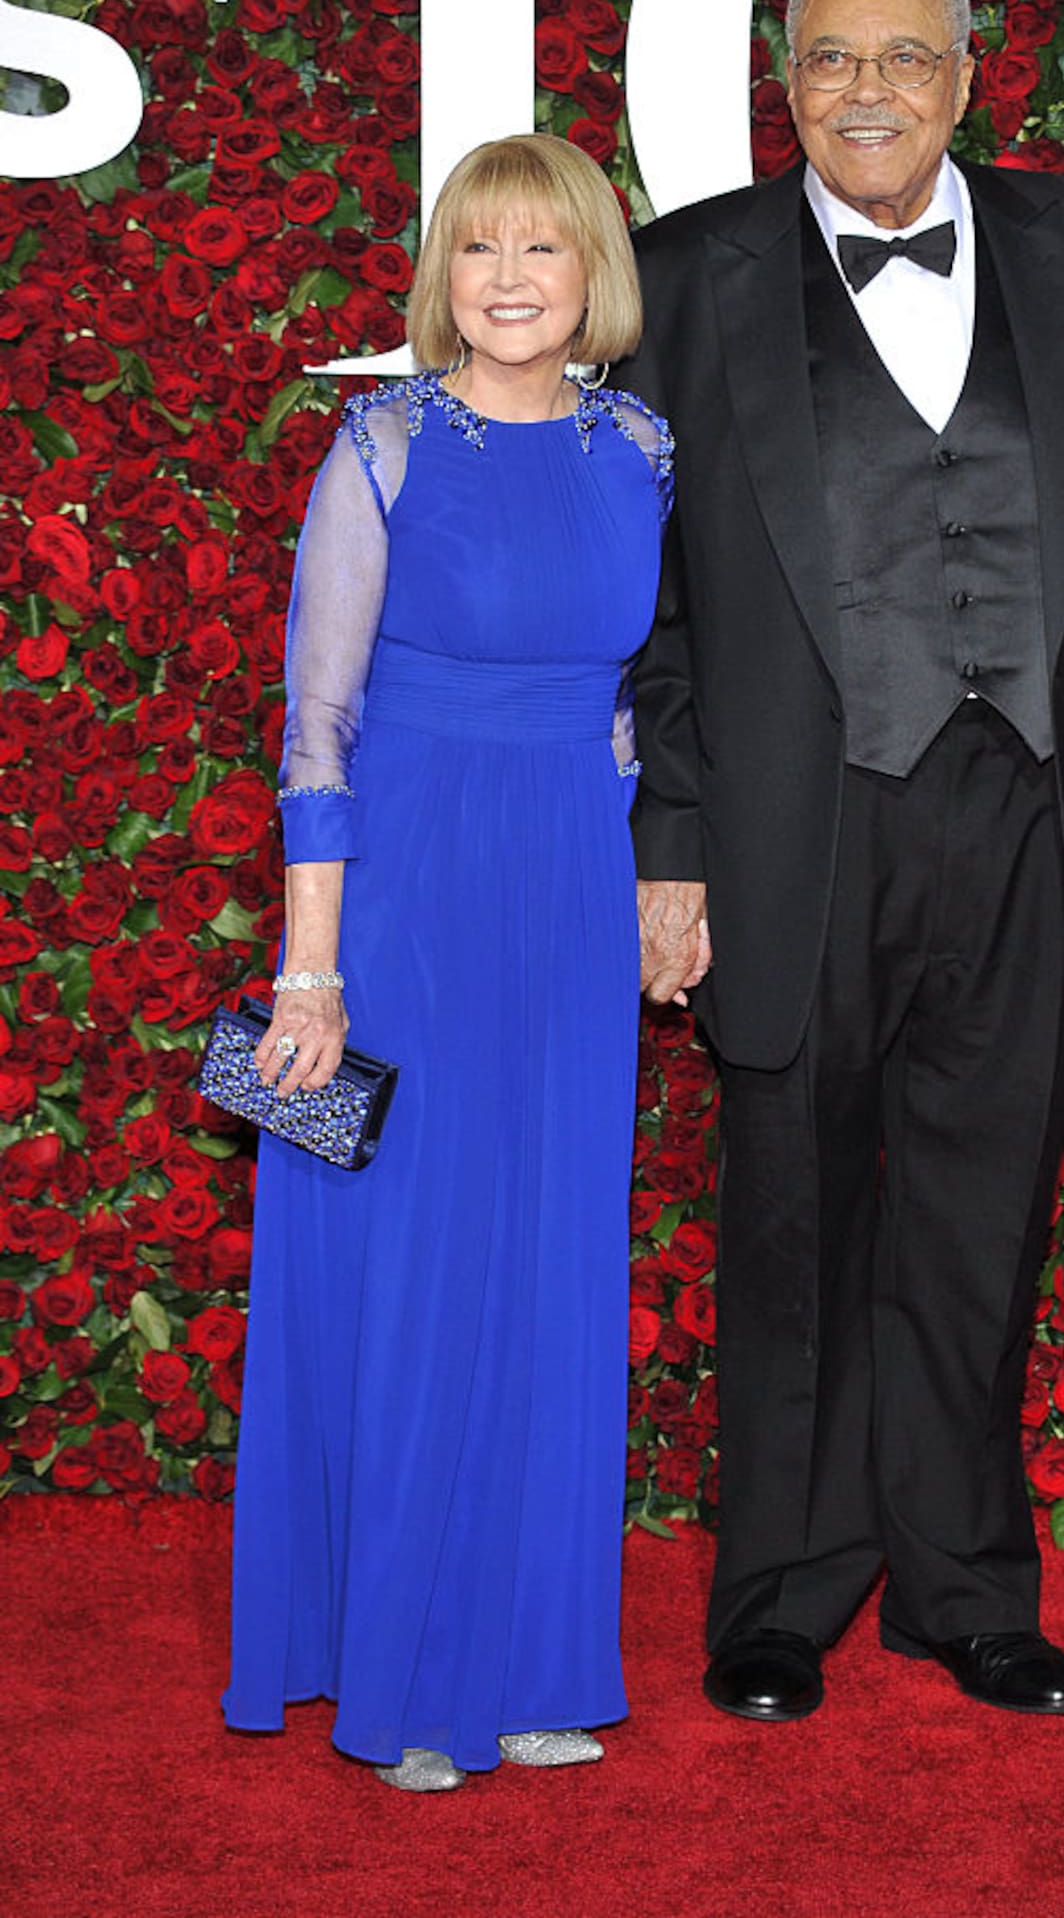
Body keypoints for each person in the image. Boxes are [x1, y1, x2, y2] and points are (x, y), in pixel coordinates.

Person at [620, 0, 1064, 1722]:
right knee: (790, 1213)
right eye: (830, 61)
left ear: (964, 76)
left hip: (1030, 803)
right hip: (805, 819)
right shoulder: (688, 268)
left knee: (980, 1209)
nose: (867, 90)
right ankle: (779, 1597)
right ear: (788, 85)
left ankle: (964, 1587)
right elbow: (656, 606)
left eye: (904, 57)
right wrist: (674, 842)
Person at [222, 134, 671, 1789]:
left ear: (589, 279)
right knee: (414, 1275)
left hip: (566, 887)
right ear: (443, 275)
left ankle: (537, 1658)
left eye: (540, 252)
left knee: (552, 1275)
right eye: (477, 249)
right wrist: (312, 973)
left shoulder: (642, 446)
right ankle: (404, 1676)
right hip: (405, 892)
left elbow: (625, 693)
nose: (506, 280)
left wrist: (635, 873)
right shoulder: (384, 443)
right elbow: (318, 720)